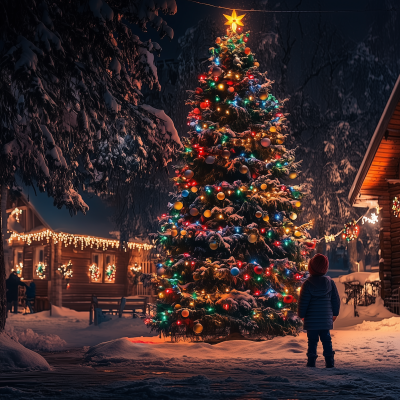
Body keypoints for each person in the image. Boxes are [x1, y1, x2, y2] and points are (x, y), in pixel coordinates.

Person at [298, 254, 340, 368]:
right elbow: (335, 300)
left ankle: (311, 361)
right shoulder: (330, 283)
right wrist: (335, 313)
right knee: (327, 339)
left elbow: (303, 301)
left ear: (310, 268)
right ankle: (329, 361)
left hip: (311, 320)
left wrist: (301, 314)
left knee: (312, 341)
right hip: (326, 319)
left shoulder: (307, 284)